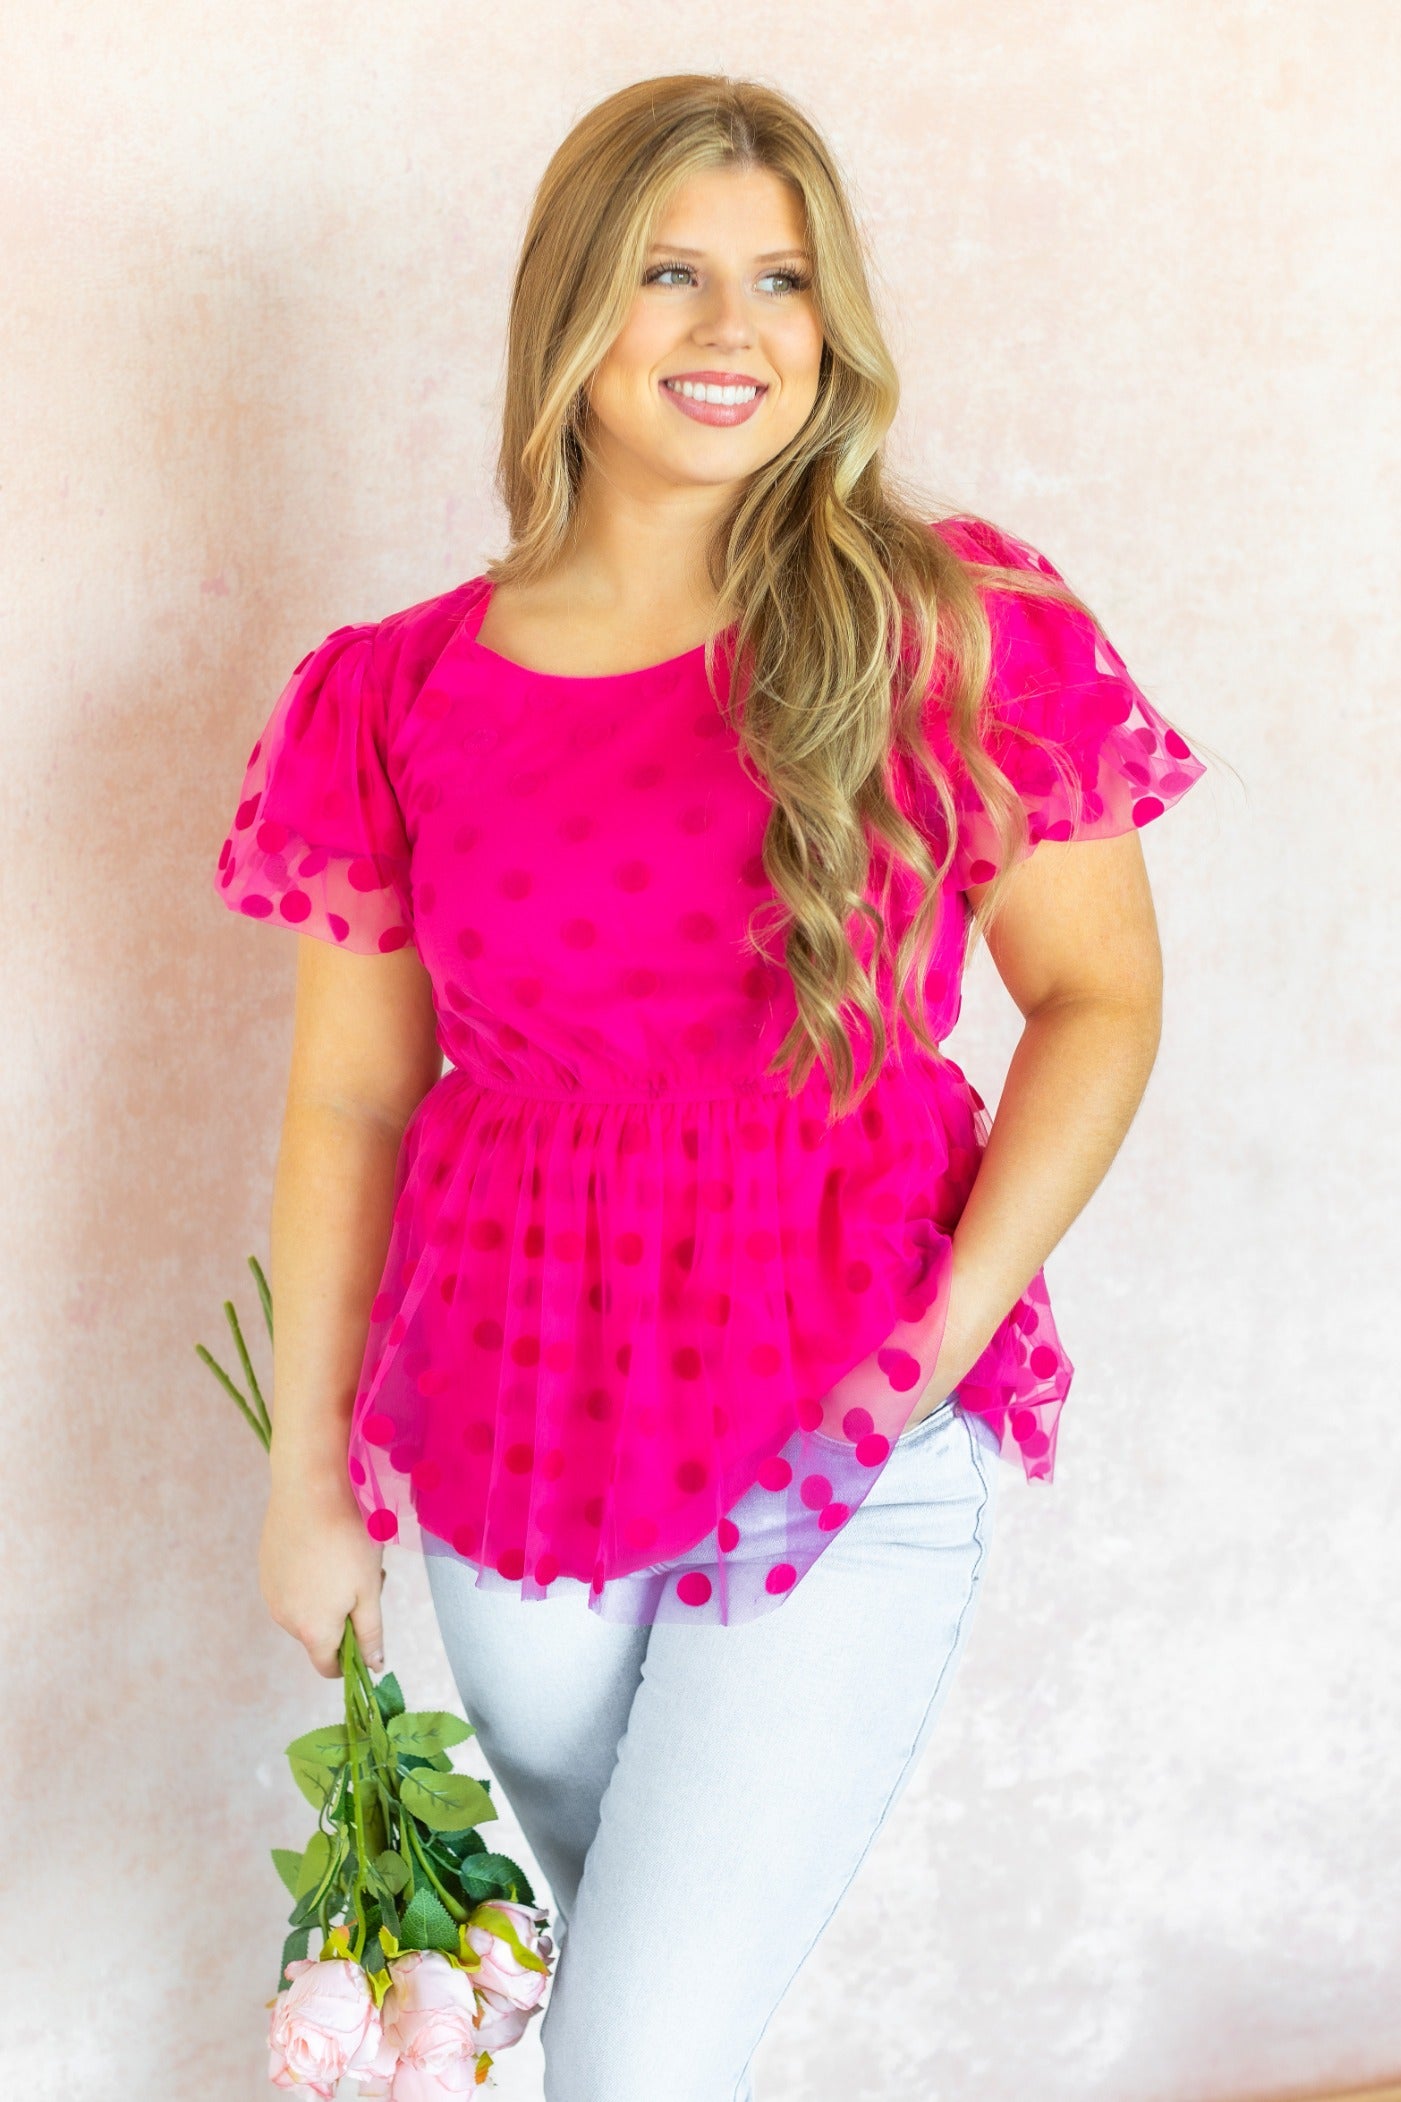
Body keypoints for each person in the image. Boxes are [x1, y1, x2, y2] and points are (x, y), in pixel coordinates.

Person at [214, 73, 1205, 2101]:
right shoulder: (396, 690)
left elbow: (1097, 996)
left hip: (841, 1412)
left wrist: (938, 1337)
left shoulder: (948, 626)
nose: (734, 327)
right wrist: (309, 1475)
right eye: (672, 273)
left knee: (629, 2063)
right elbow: (350, 1104)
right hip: (509, 1436)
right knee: (636, 2016)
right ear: (571, 308)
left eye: (782, 278)